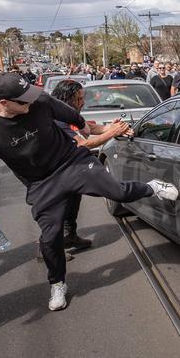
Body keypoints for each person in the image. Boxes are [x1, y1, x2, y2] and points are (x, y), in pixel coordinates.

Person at [0, 73, 175, 311]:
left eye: (31, 97)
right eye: (23, 101)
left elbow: (71, 116)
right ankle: (57, 283)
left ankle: (154, 187)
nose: (30, 104)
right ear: (3, 102)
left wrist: (86, 128)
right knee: (50, 238)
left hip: (72, 162)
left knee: (117, 192)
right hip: (41, 183)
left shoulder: (40, 102)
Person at [51, 79, 134, 249]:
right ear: (67, 99)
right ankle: (48, 248)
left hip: (68, 167)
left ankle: (70, 236)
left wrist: (110, 127)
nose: (83, 102)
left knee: (72, 203)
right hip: (52, 171)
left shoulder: (65, 112)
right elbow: (82, 143)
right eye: (79, 99)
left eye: (83, 98)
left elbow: (88, 128)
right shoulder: (56, 117)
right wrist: (112, 132)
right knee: (55, 211)